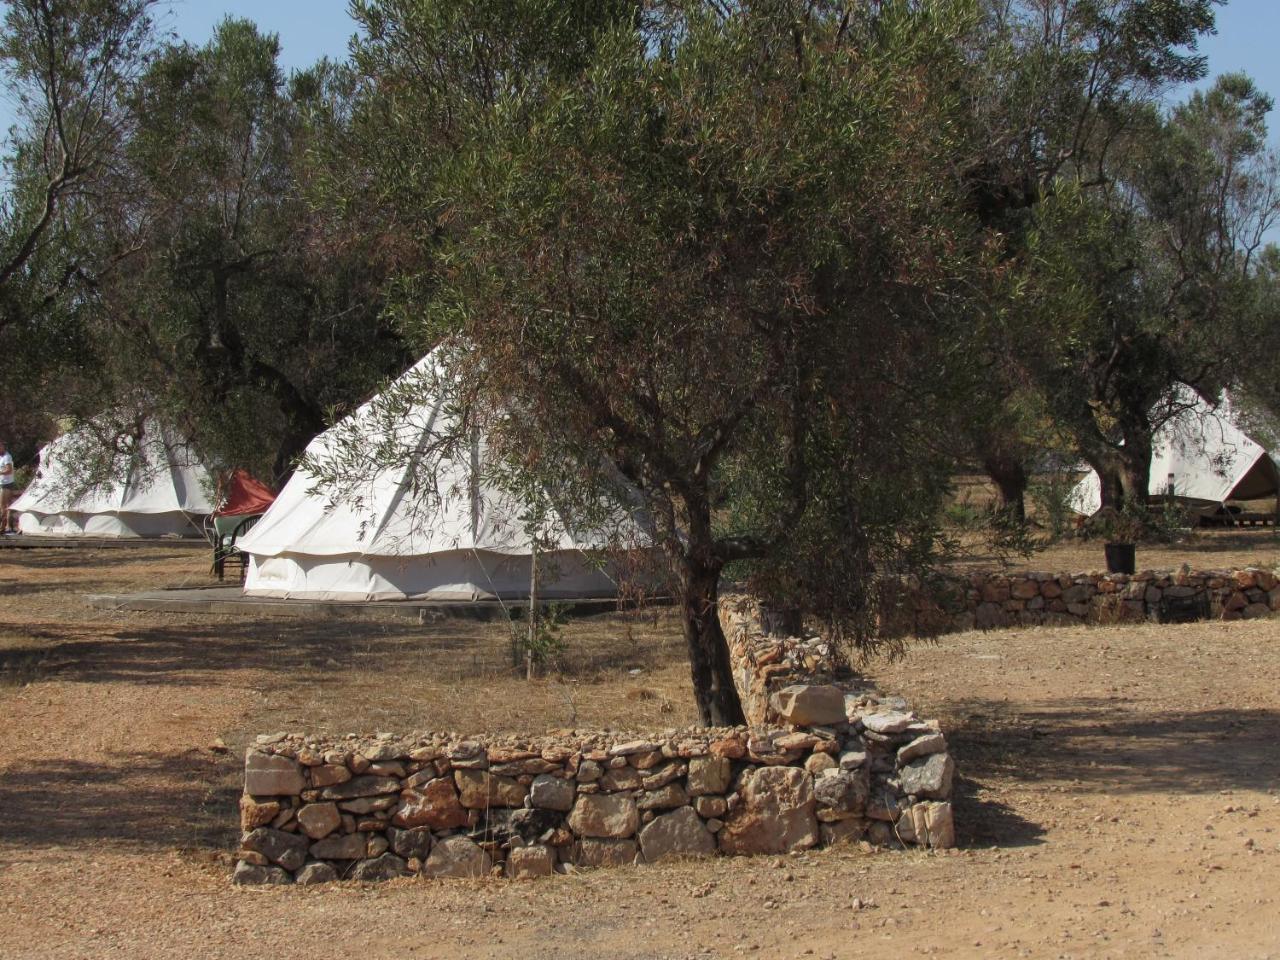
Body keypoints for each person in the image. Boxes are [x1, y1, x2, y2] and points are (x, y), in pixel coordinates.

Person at [0, 441, 15, 534]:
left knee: (3, 506)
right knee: (6, 506)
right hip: (2, 483)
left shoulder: (7, 457)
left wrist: (0, 472)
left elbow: (9, 470)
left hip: (6, 484)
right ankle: (8, 527)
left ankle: (3, 527)